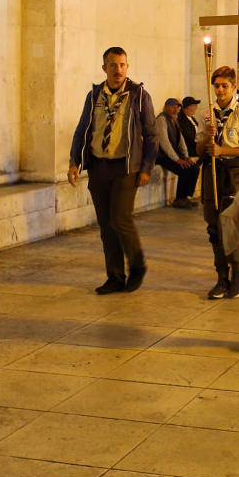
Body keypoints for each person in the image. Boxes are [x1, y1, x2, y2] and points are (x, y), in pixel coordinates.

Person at [68, 47, 157, 294]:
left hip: (126, 167)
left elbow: (151, 135)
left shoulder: (139, 95)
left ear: (127, 67)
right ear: (104, 68)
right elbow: (82, 129)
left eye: (122, 65)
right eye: (113, 65)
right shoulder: (94, 95)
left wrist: (146, 167)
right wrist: (74, 161)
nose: (118, 70)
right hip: (99, 165)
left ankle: (137, 265)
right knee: (107, 225)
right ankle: (115, 276)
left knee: (120, 218)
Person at [199, 66, 239, 299]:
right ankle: (221, 276)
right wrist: (208, 139)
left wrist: (223, 149)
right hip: (212, 172)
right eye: (217, 86)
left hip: (234, 174)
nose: (220, 90)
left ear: (233, 87)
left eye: (224, 86)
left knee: (228, 225)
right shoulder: (207, 113)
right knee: (213, 227)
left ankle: (238, 270)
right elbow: (198, 147)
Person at [155, 98, 200, 208]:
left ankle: (185, 197)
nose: (176, 110)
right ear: (166, 107)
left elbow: (181, 140)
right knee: (185, 169)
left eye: (178, 108)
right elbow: (164, 142)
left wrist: (185, 156)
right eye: (173, 107)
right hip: (161, 155)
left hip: (171, 155)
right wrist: (177, 159)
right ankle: (179, 199)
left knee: (194, 167)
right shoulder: (162, 119)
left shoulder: (173, 119)